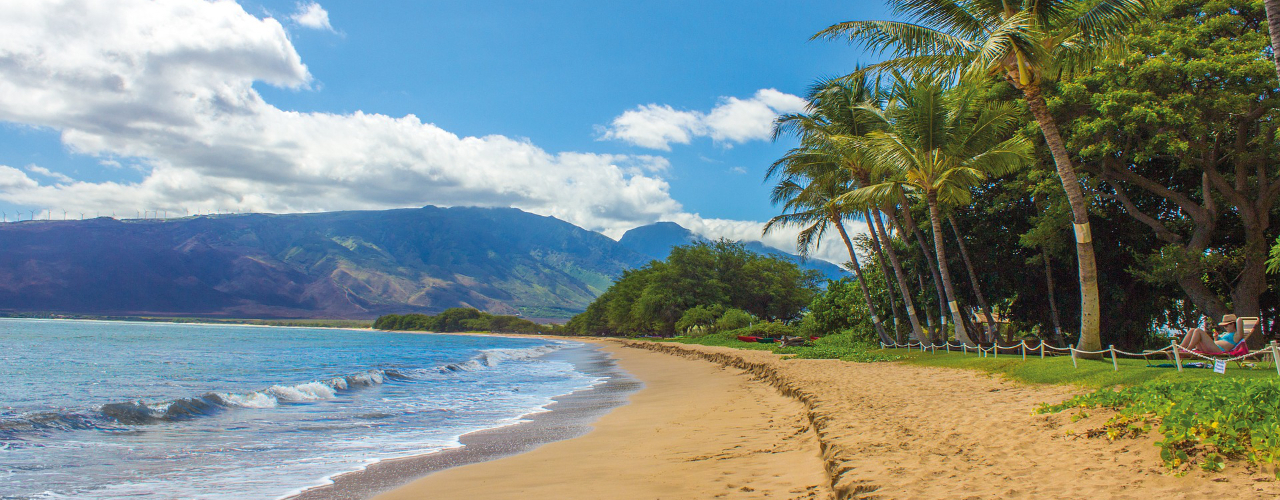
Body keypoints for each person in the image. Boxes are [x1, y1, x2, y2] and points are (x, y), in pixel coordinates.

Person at [1178, 314, 1243, 354]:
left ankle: (1188, 350)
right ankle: (1180, 348)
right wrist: (1216, 338)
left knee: (1198, 331)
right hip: (1212, 348)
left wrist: (1234, 319)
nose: (1225, 327)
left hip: (1219, 350)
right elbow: (1216, 342)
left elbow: (1239, 320)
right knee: (1192, 330)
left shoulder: (1236, 335)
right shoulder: (1224, 333)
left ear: (1233, 324)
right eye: (1224, 326)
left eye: (1226, 325)